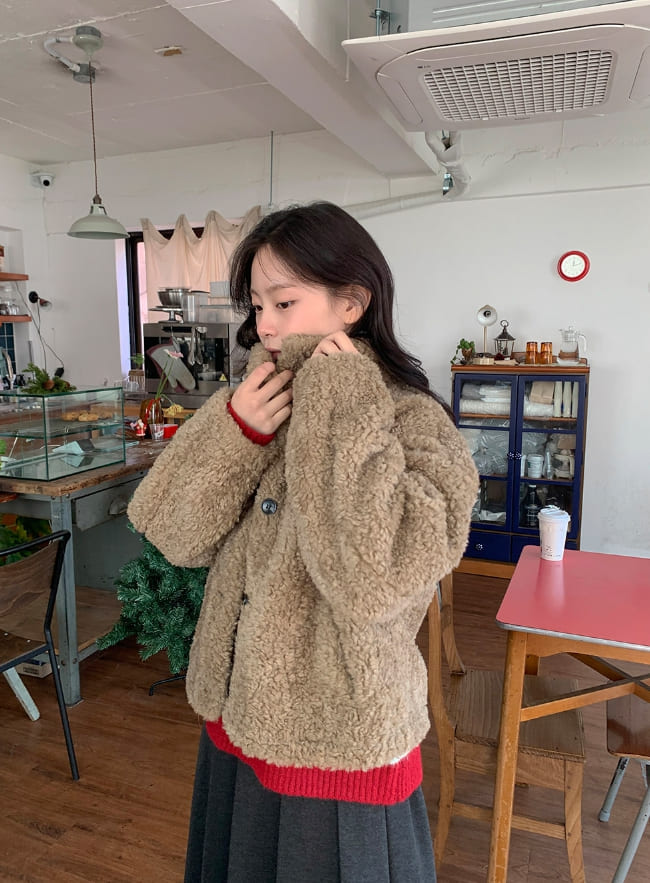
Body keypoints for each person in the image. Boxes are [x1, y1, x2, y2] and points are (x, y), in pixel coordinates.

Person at [127, 201, 478, 883]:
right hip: (237, 720)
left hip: (339, 741)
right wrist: (234, 431)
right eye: (257, 306)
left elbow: (371, 578)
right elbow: (171, 533)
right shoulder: (259, 403)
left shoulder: (416, 421)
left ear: (353, 302)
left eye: (284, 302)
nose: (265, 325)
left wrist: (341, 403)